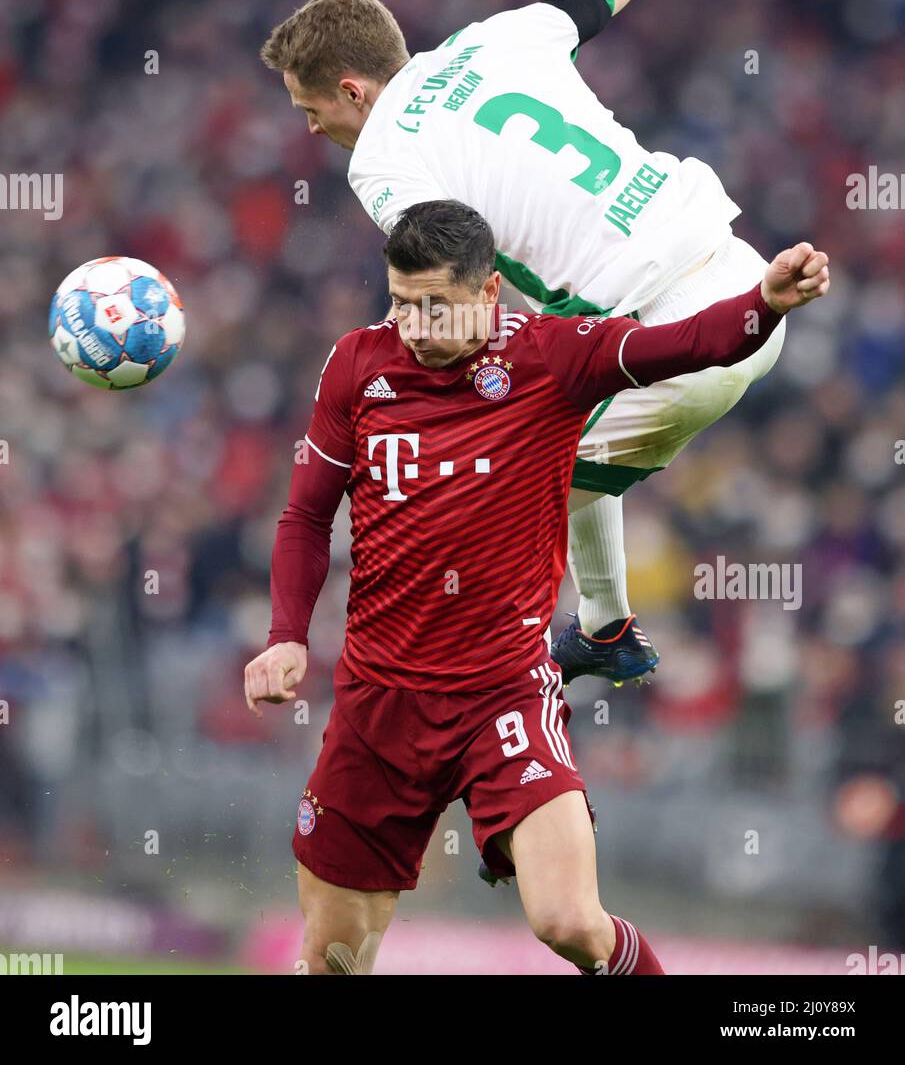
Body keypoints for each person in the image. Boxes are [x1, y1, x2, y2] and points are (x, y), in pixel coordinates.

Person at [260, 0, 773, 689]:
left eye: (308, 109)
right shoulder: (497, 38)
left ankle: (485, 694)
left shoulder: (380, 159)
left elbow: (449, 287)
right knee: (562, 421)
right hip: (731, 264)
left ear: (352, 90)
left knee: (502, 472)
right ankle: (604, 630)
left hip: (672, 324)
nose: (309, 130)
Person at [244, 200, 829, 976]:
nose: (411, 325)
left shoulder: (554, 356)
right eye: (397, 300)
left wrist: (762, 304)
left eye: (433, 306)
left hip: (502, 698)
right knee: (333, 961)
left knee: (568, 923)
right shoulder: (357, 362)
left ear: (488, 293)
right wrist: (286, 634)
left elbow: (685, 344)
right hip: (376, 704)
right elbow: (306, 515)